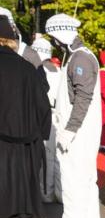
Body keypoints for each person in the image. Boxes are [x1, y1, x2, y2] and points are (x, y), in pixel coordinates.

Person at [44, 13, 102, 218]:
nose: (54, 43)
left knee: (73, 182)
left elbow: (82, 98)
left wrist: (69, 129)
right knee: (86, 181)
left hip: (77, 131)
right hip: (82, 130)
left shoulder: (80, 59)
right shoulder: (80, 56)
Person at [0, 18, 51, 218]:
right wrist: (40, 136)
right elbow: (43, 106)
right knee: (16, 191)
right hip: (21, 144)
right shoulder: (27, 68)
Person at [32, 35, 60, 203]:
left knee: (45, 158)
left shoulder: (40, 70)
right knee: (55, 158)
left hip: (44, 114)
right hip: (57, 115)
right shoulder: (59, 69)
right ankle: (57, 192)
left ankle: (45, 193)